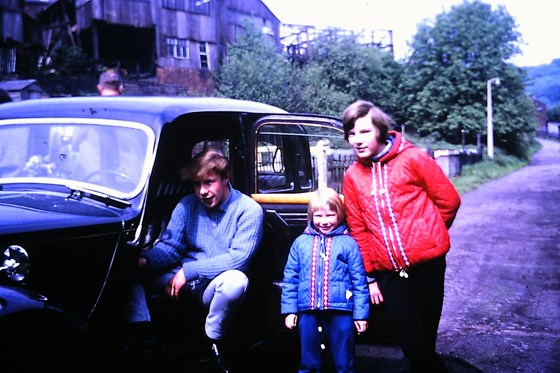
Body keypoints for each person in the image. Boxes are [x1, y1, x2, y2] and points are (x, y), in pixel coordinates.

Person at [341, 100, 461, 373]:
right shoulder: (352, 176)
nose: (356, 140)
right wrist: (370, 276)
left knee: (425, 339)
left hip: (428, 265)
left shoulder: (414, 158)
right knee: (411, 343)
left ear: (380, 131)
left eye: (363, 132)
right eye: (351, 134)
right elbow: (358, 228)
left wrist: (427, 235)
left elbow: (448, 201)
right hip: (388, 272)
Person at [125, 148, 264, 373]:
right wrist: (144, 261)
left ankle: (212, 343)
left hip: (213, 283)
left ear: (226, 177)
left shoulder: (249, 210)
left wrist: (188, 271)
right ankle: (142, 336)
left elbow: (239, 259)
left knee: (236, 281)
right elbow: (171, 248)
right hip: (179, 277)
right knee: (126, 270)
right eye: (196, 184)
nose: (202, 191)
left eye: (209, 182)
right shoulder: (186, 205)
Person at [281, 187, 369, 373]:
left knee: (344, 361)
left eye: (330, 215)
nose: (324, 221)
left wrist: (360, 314)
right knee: (309, 360)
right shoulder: (300, 243)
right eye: (318, 216)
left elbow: (359, 281)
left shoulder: (349, 244)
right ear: (311, 216)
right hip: (308, 311)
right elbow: (291, 278)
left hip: (342, 311)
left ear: (340, 214)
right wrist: (290, 310)